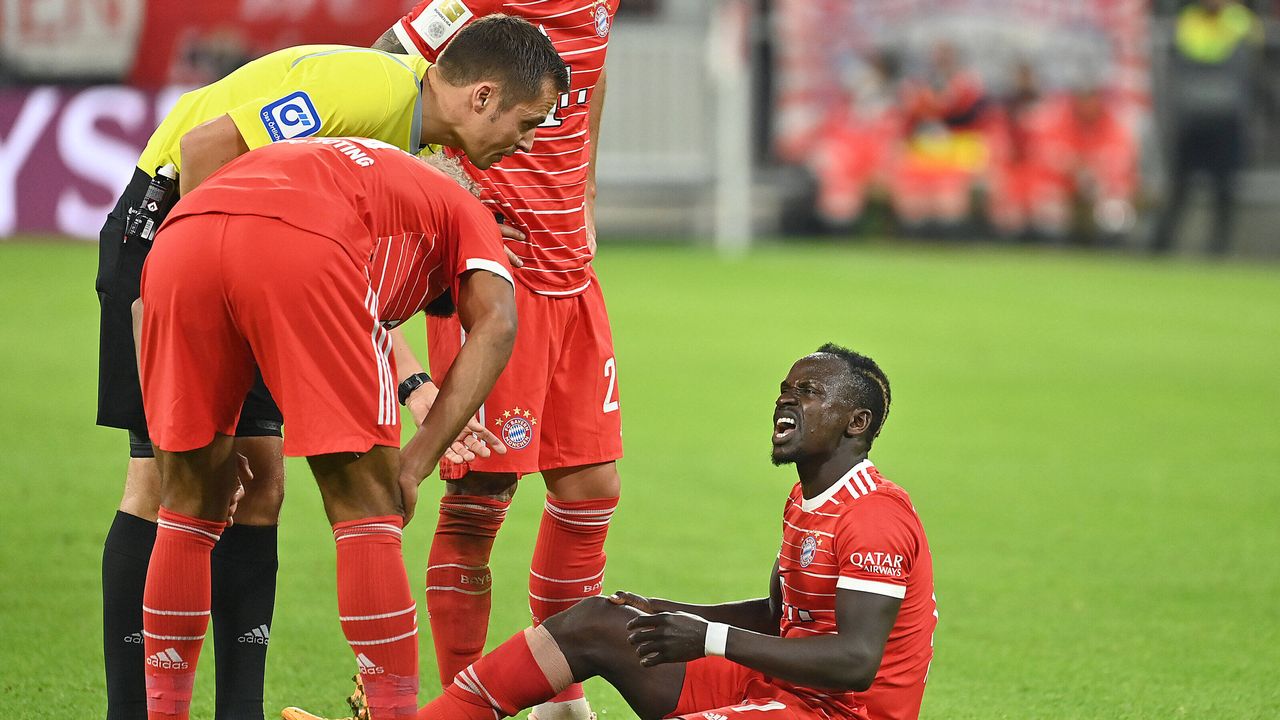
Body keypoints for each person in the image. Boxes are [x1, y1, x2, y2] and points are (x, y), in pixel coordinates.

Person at [97, 16, 568, 720]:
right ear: (482, 95)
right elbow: (206, 147)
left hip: (223, 251)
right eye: (527, 122)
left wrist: (411, 386)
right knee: (162, 482)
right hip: (169, 218)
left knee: (258, 486)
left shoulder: (412, 148)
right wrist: (204, 321)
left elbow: (352, 288)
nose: (525, 143)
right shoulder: (372, 90)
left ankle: (238, 710)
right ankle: (131, 712)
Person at [286, 344, 938, 720]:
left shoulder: (874, 518)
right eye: (784, 388)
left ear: (856, 424)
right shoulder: (810, 496)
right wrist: (665, 614)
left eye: (809, 392)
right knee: (598, 622)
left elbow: (857, 662)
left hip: (835, 715)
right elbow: (780, 615)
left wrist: (706, 637)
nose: (786, 401)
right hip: (782, 689)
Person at [137, 136, 521, 720]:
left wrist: (186, 442)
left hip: (181, 237)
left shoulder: (365, 181)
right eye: (531, 119)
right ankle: (393, 712)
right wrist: (413, 464)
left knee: (187, 504)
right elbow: (497, 321)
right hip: (298, 244)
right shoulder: (461, 202)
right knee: (370, 506)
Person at [369, 4, 621, 719]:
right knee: (482, 495)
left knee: (591, 487)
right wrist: (436, 173)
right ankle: (466, 700)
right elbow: (385, 65)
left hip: (571, 270)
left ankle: (558, 693)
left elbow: (589, 76)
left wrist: (589, 184)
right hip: (492, 273)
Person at [1150, 0, 1263, 255]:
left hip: (1227, 120)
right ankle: (1160, 249)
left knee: (1224, 192)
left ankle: (1217, 251)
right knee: (1180, 189)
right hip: (1193, 119)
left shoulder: (1240, 21)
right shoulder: (1189, 20)